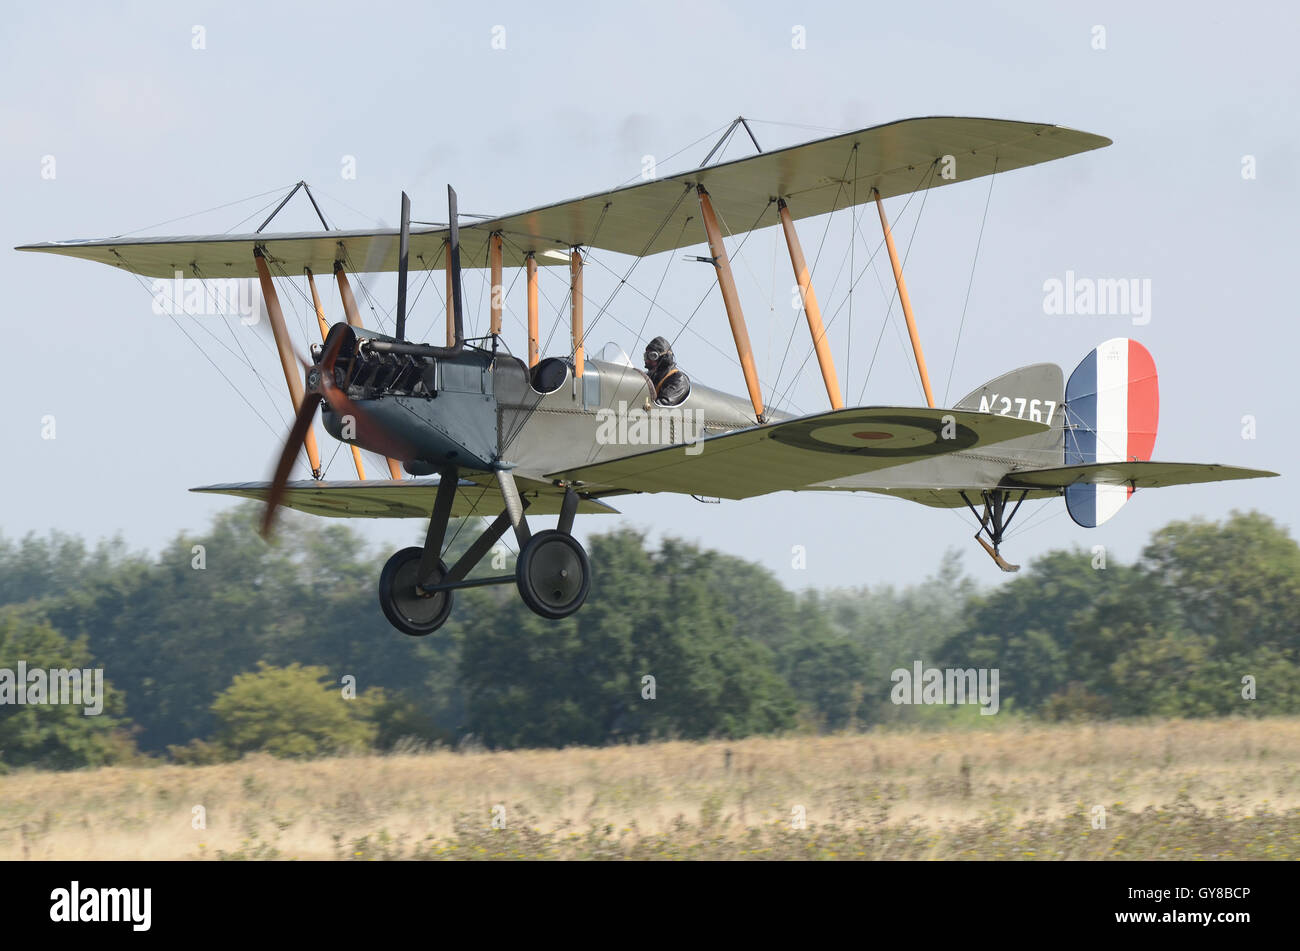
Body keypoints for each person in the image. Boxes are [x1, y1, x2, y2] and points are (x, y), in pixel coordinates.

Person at [643, 335, 689, 405]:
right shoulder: (648, 377)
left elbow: (662, 406)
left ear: (664, 357)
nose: (648, 360)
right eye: (646, 356)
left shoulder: (678, 379)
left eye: (653, 356)